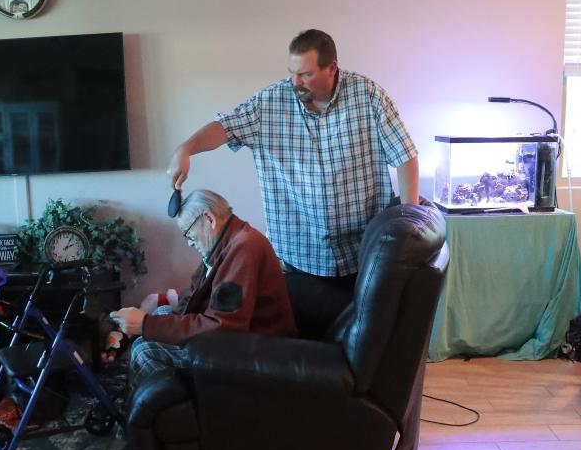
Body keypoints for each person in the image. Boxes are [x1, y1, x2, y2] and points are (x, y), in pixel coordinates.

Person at [167, 29, 419, 281]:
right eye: (292, 73)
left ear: (331, 68)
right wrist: (186, 149)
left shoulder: (369, 95)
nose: (295, 82)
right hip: (300, 258)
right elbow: (226, 126)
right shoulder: (269, 103)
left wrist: (409, 225)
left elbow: (405, 156)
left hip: (364, 251)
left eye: (305, 74)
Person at [109, 189, 297, 386]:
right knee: (163, 311)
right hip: (237, 338)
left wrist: (147, 325)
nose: (190, 243)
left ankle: (164, 410)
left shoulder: (244, 247)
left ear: (209, 218)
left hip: (255, 349)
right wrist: (153, 321)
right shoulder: (225, 243)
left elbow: (224, 326)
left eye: (188, 234)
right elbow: (191, 297)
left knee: (143, 350)